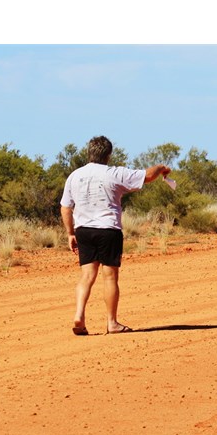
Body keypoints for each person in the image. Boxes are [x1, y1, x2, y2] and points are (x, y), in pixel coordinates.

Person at [60, 135, 171, 335]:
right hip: (108, 229)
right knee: (110, 277)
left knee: (87, 275)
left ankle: (79, 315)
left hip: (83, 229)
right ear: (108, 155)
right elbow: (147, 176)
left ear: (89, 152)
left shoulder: (75, 176)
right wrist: (161, 167)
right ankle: (112, 323)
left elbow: (65, 207)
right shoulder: (114, 173)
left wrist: (70, 233)